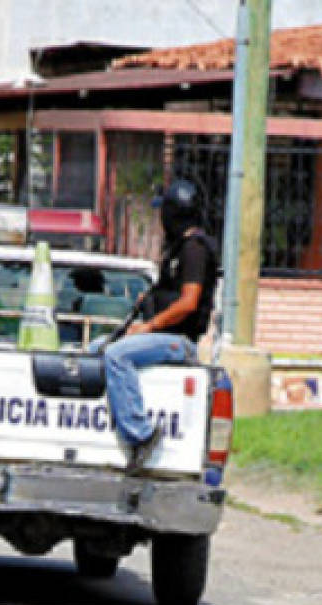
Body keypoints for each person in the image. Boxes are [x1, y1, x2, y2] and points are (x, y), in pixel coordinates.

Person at [100, 178, 218, 474]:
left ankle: (141, 434)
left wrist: (149, 326)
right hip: (165, 336)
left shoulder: (195, 249)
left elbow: (189, 302)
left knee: (117, 356)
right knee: (96, 349)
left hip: (178, 341)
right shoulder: (180, 249)